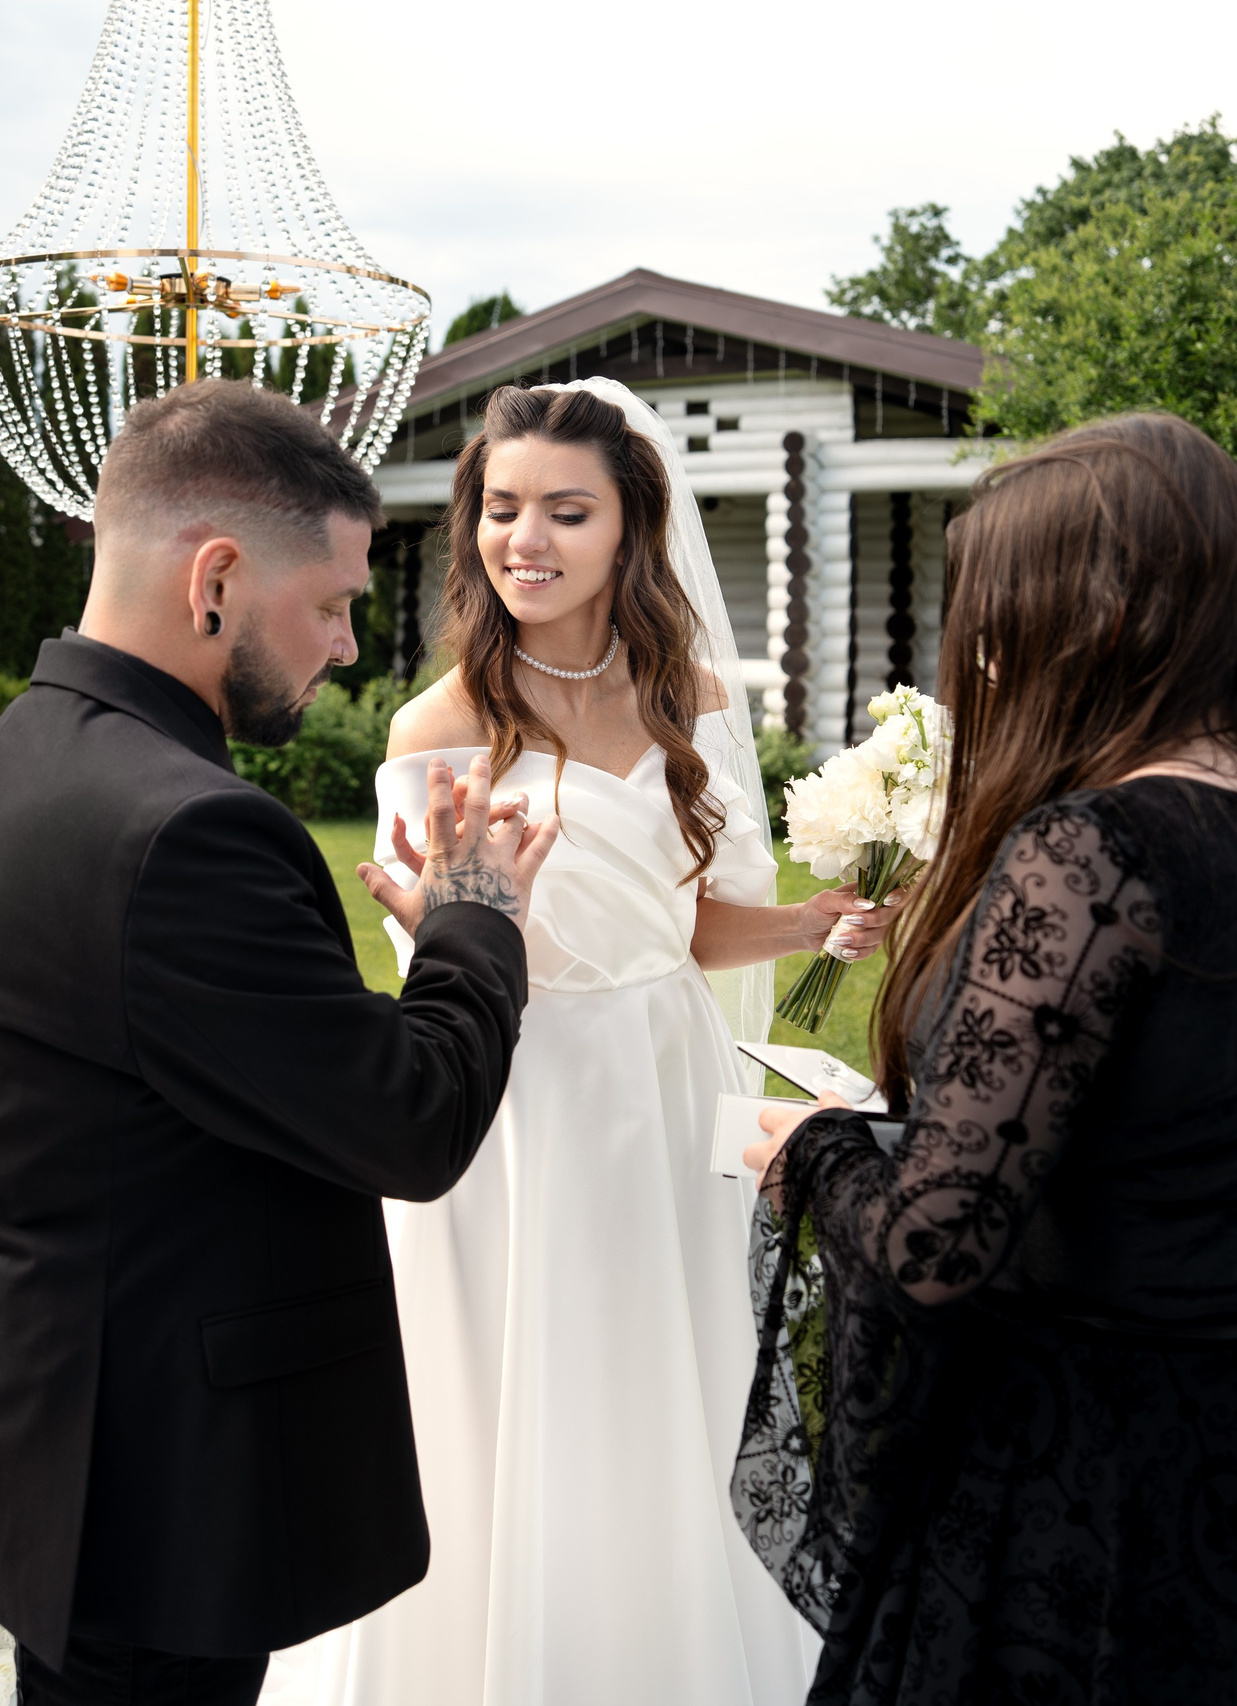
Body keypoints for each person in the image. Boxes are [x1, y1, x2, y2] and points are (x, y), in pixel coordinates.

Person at [736, 413, 1237, 1706]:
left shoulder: (1092, 851)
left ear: (1101, 618)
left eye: (1003, 622)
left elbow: (937, 1246)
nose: (989, 657)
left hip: (1084, 1481)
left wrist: (816, 1151)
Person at [0, 381, 559, 1706]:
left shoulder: (12, 752)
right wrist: (475, 918)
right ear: (214, 581)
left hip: (52, 1444)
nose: (345, 646)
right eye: (330, 604)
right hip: (160, 1497)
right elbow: (410, 1119)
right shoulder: (190, 833)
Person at [262, 379, 889, 1706]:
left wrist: (807, 924)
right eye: (500, 508)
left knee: (670, 1389)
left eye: (565, 510)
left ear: (629, 527)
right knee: (508, 1398)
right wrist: (462, 917)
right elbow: (435, 951)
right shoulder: (439, 725)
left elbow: (680, 928)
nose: (524, 539)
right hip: (511, 1102)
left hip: (665, 1084)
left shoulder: (689, 696)